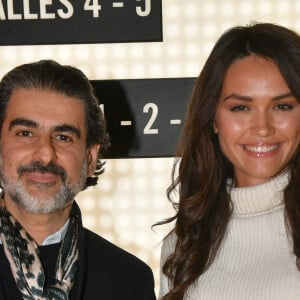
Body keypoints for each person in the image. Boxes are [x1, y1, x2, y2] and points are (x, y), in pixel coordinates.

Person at [159, 22, 300, 300]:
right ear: (213, 118)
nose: (262, 127)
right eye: (241, 108)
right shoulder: (183, 245)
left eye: (282, 106)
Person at [0, 60, 156, 299]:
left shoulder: (129, 280)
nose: (45, 153)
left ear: (90, 158)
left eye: (63, 137)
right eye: (25, 133)